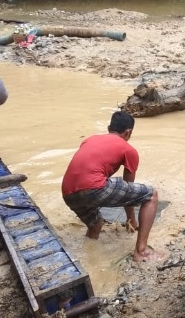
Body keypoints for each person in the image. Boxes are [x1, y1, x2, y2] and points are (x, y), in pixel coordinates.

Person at [61, 111, 162, 262]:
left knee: (96, 224)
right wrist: (131, 220)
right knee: (151, 195)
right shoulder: (129, 150)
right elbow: (128, 188)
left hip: (68, 192)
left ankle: (89, 260)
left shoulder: (89, 140)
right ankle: (142, 251)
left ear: (109, 128)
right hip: (93, 187)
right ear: (128, 132)